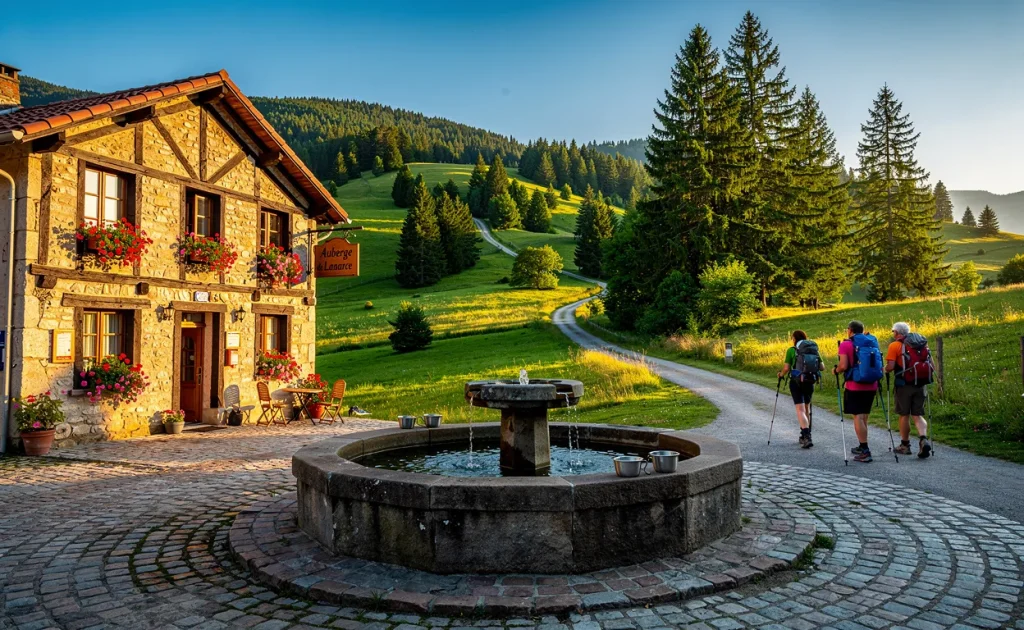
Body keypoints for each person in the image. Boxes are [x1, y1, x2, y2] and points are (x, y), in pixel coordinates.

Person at [833, 320, 879, 463]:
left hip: (855, 385)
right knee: (864, 416)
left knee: (857, 417)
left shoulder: (846, 344)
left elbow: (843, 365)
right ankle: (861, 445)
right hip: (872, 384)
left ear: (850, 330)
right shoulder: (872, 342)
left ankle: (865, 450)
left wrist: (836, 370)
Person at [885, 322, 932, 458]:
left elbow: (891, 367)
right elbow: (931, 363)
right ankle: (923, 439)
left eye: (893, 331)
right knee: (917, 414)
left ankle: (905, 445)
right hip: (921, 383)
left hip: (904, 384)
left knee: (904, 414)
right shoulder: (921, 343)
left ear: (897, 333)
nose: (893, 334)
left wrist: (883, 370)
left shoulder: (895, 345)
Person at [778, 330, 814, 448]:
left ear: (794, 338)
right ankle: (806, 434)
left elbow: (787, 368)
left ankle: (806, 436)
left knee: (800, 409)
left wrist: (780, 374)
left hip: (796, 382)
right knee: (806, 408)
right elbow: (822, 367)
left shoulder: (791, 350)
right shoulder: (813, 349)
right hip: (809, 381)